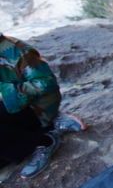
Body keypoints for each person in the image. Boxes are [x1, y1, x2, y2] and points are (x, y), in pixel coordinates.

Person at [0, 33, 86, 179]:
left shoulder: (17, 51)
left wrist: (5, 93)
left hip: (38, 107)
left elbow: (46, 83)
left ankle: (45, 139)